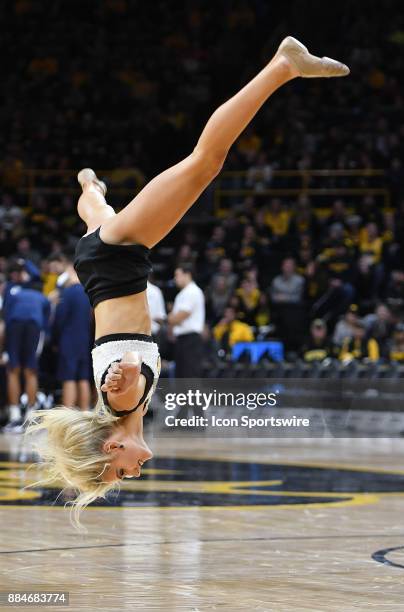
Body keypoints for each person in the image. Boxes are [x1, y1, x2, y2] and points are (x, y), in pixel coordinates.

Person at [26, 36, 349, 526]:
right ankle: (89, 187)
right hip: (96, 264)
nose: (131, 474)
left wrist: (126, 371)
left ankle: (283, 65)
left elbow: (128, 365)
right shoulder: (122, 407)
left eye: (119, 473)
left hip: (117, 260)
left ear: (111, 446)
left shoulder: (120, 400)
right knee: (98, 213)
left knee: (206, 162)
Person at [52, 263, 93, 410]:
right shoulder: (88, 292)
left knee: (68, 377)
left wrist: (54, 340)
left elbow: (59, 319)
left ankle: (68, 416)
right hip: (85, 340)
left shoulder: (67, 293)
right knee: (83, 378)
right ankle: (85, 414)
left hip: (69, 341)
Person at [168, 264, 205, 377]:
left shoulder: (192, 291)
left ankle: (191, 396)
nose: (175, 278)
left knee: (190, 374)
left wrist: (171, 318)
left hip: (190, 339)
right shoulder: (183, 293)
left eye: (177, 275)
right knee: (181, 375)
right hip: (183, 339)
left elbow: (181, 316)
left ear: (187, 275)